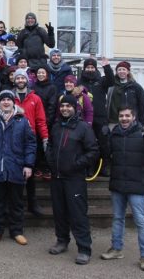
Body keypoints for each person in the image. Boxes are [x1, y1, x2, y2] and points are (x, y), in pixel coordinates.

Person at [100, 107, 144, 272]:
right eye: (121, 116)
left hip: (137, 186)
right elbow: (106, 156)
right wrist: (103, 139)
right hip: (118, 185)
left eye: (127, 116)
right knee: (117, 218)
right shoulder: (114, 134)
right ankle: (116, 249)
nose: (124, 118)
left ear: (134, 117)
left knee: (141, 221)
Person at [0, 90, 36, 245]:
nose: (5, 102)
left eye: (8, 100)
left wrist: (28, 164)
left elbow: (30, 143)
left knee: (16, 202)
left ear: (13, 102)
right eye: (3, 100)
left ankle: (16, 231)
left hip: (16, 167)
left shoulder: (22, 121)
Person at [46, 95, 99, 265]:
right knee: (59, 212)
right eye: (62, 106)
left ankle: (84, 248)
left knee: (78, 215)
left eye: (68, 106)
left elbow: (93, 151)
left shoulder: (83, 128)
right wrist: (51, 162)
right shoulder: (55, 127)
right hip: (57, 178)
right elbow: (50, 147)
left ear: (75, 108)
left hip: (74, 178)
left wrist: (76, 165)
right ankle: (62, 241)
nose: (65, 109)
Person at [12, 69, 49, 216]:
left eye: (23, 78)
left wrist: (45, 137)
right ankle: (17, 204)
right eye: (18, 78)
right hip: (13, 139)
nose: (20, 80)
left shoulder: (35, 98)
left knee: (30, 173)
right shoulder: (9, 97)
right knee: (15, 173)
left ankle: (32, 203)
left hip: (30, 140)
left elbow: (41, 120)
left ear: (27, 80)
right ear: (14, 80)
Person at [107, 61, 144, 127]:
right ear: (117, 72)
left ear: (128, 72)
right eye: (119, 69)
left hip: (130, 122)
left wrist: (140, 123)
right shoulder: (111, 86)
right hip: (113, 122)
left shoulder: (135, 87)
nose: (121, 71)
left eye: (124, 69)